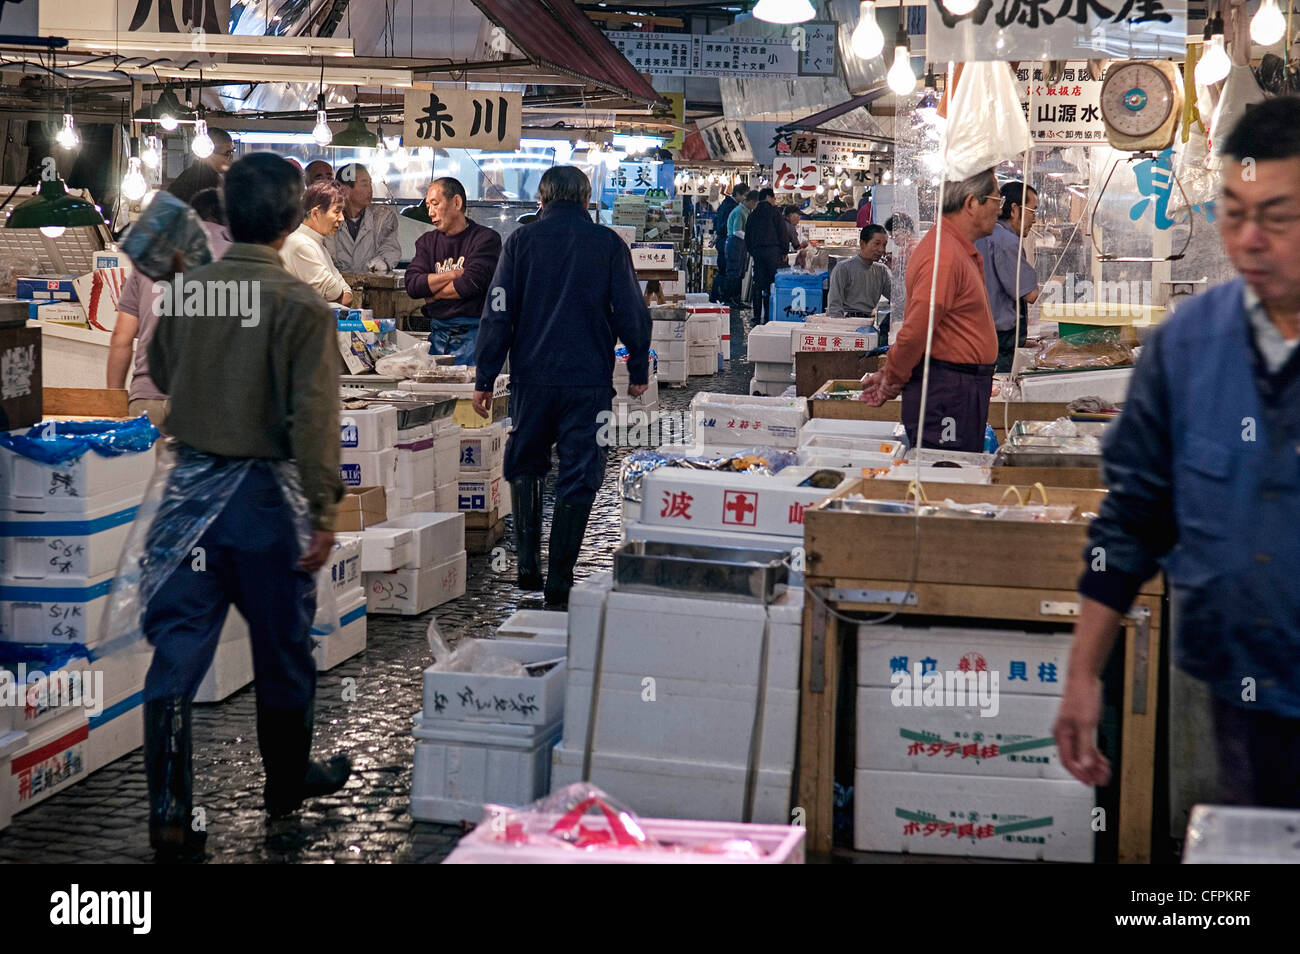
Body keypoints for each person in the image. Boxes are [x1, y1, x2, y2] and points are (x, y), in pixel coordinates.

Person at [1053, 97, 1300, 808]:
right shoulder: (1187, 345)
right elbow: (1134, 518)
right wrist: (1082, 673)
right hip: (1235, 701)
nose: (1250, 238)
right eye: (1234, 211)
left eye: (1277, 217)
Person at [143, 152, 350, 859]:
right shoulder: (299, 303)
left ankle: (170, 811)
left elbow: (163, 372)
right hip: (263, 506)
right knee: (283, 649)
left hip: (189, 502)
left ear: (227, 213)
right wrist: (323, 510)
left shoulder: (194, 289)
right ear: (293, 217)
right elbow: (315, 416)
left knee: (175, 658)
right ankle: (286, 787)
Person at [474, 166, 650, 609]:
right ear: (587, 198)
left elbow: (498, 312)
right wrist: (638, 367)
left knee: (527, 460)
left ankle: (528, 563)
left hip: (531, 379)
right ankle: (560, 578)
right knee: (580, 471)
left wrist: (484, 376)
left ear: (542, 198)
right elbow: (631, 308)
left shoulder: (521, 242)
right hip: (587, 383)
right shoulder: (608, 244)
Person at [859, 168, 1001, 452]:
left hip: (957, 388)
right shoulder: (944, 255)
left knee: (956, 476)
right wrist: (892, 380)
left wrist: (891, 372)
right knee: (945, 476)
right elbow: (915, 332)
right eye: (996, 199)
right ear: (972, 203)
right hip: (947, 391)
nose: (1000, 207)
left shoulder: (953, 248)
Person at [107, 189, 233, 435]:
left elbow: (121, 338)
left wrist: (113, 406)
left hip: (145, 401)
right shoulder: (237, 259)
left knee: (142, 475)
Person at [404, 176, 502, 361]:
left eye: (435, 204)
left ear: (456, 202)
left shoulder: (485, 239)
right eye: (428, 207)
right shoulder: (426, 243)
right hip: (437, 338)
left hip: (474, 339)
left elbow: (470, 283)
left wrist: (432, 294)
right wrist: (452, 274)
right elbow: (413, 285)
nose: (431, 213)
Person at [975, 181, 1040, 373]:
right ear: (1014, 209)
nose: (1034, 219)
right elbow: (1030, 294)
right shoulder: (1007, 241)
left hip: (980, 334)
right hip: (1000, 340)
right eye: (1032, 211)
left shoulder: (984, 236)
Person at [280, 180, 353, 305]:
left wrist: (337, 295)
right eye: (336, 211)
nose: (342, 218)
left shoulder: (318, 245)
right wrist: (337, 295)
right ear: (315, 213)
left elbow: (348, 295)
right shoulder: (300, 244)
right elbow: (336, 294)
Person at [330, 163, 402, 274]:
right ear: (345, 190)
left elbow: (390, 247)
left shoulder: (383, 217)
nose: (370, 190)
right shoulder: (328, 218)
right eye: (364, 184)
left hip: (372, 286)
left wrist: (383, 262)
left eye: (370, 183)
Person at [826, 224, 892, 321]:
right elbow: (834, 306)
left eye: (884, 245)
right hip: (847, 321)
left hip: (869, 322)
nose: (881, 250)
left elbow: (896, 298)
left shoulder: (882, 270)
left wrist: (895, 271)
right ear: (862, 244)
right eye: (877, 244)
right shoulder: (843, 268)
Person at [745, 188, 784, 325]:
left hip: (758, 253)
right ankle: (769, 315)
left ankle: (756, 316)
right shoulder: (775, 213)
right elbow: (782, 232)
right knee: (772, 283)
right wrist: (784, 251)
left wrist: (753, 251)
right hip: (773, 252)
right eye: (773, 198)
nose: (774, 201)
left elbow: (747, 236)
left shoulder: (753, 214)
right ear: (768, 197)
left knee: (758, 284)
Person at [166, 127, 235, 203]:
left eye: (232, 152)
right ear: (209, 153)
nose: (231, 158)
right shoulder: (208, 183)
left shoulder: (188, 175)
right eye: (227, 153)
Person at [710, 182, 748, 302]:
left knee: (726, 270)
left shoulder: (727, 204)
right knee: (725, 271)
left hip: (724, 241)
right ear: (737, 194)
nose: (745, 199)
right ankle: (720, 298)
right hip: (726, 242)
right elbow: (723, 226)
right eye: (745, 196)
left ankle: (720, 298)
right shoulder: (731, 207)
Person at [723, 190, 759, 304]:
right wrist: (750, 239)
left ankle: (736, 299)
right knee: (733, 272)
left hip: (740, 244)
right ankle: (729, 299)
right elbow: (737, 230)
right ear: (753, 202)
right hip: (734, 243)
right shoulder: (739, 211)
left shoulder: (746, 210)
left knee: (739, 272)